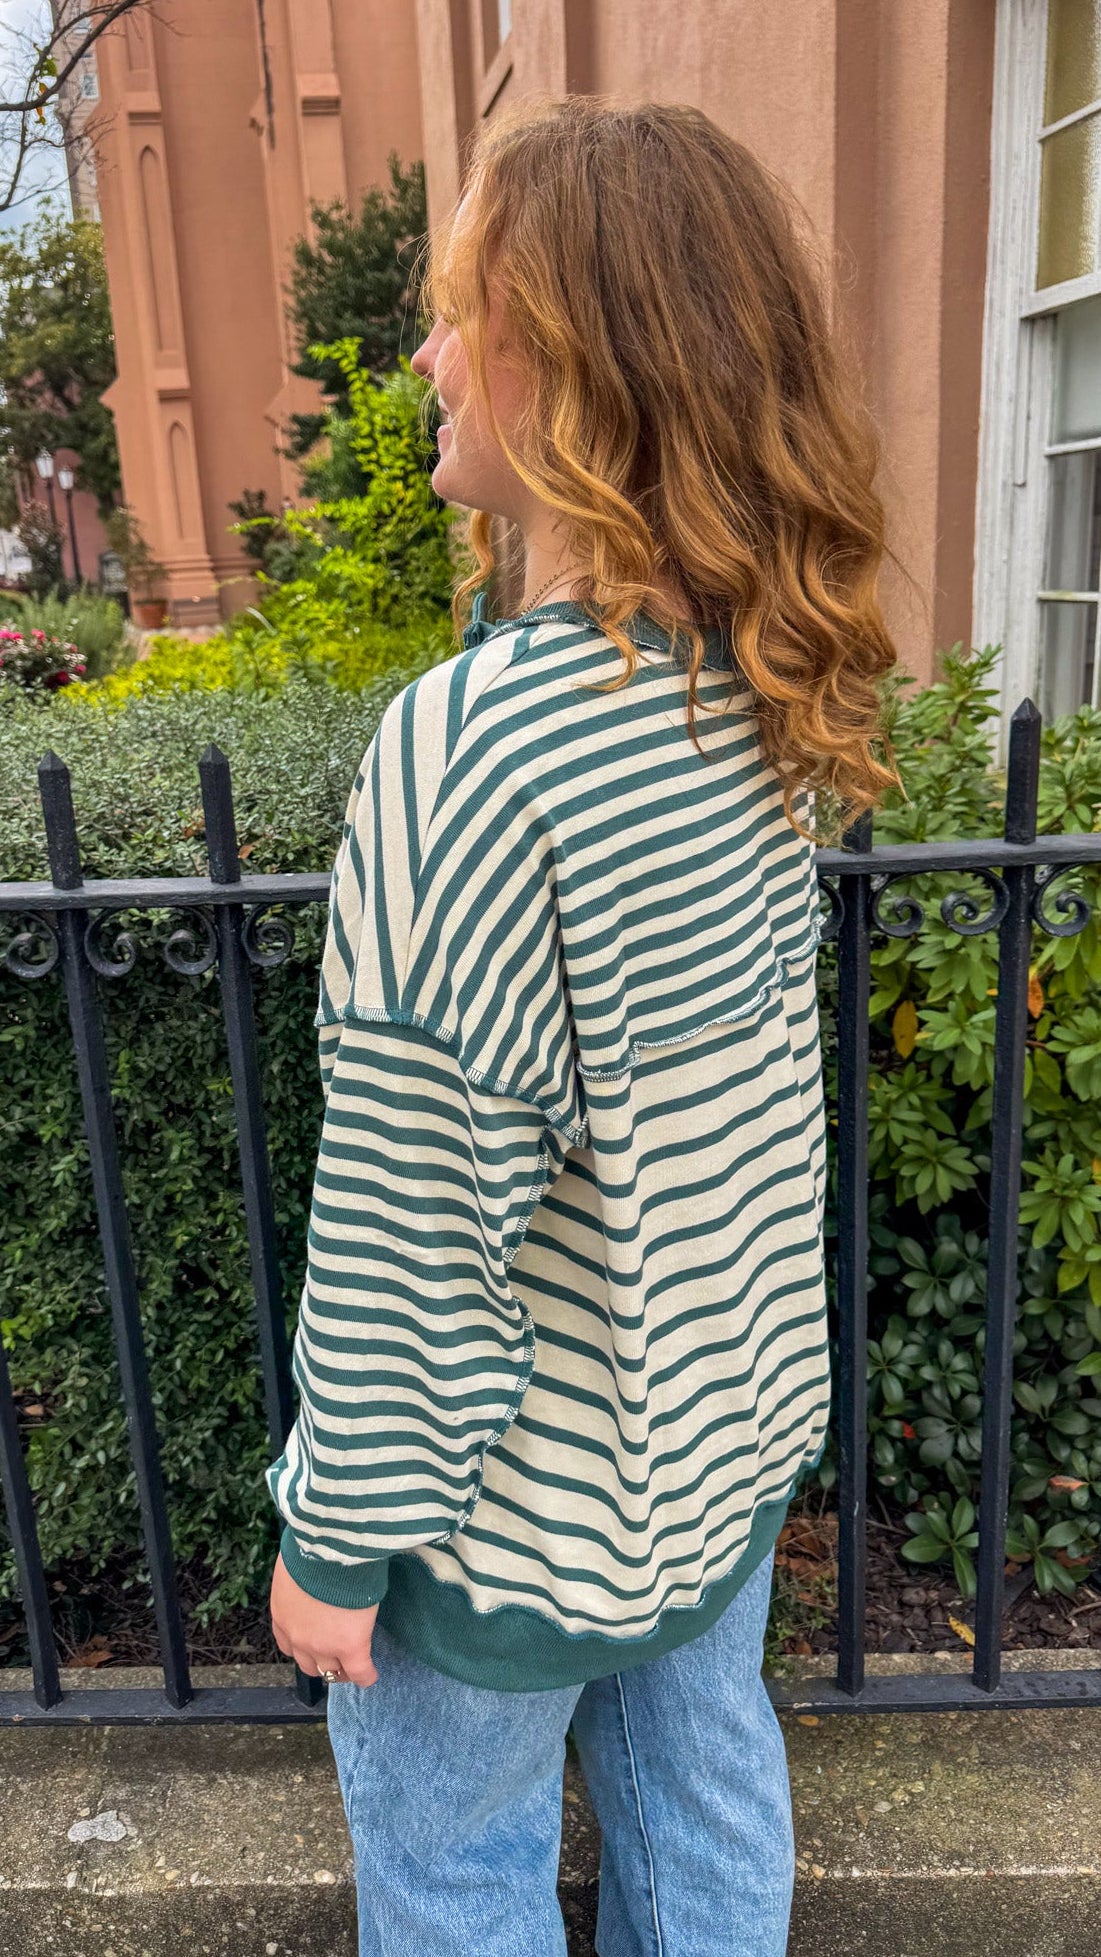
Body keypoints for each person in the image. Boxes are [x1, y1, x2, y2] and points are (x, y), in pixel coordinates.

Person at [267, 97, 901, 1957]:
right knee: (708, 1806)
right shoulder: (757, 691)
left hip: (511, 1516)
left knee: (456, 1872)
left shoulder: (476, 751)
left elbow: (411, 1224)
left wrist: (330, 1541)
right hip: (716, 1439)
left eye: (459, 309)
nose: (426, 354)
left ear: (566, 362)